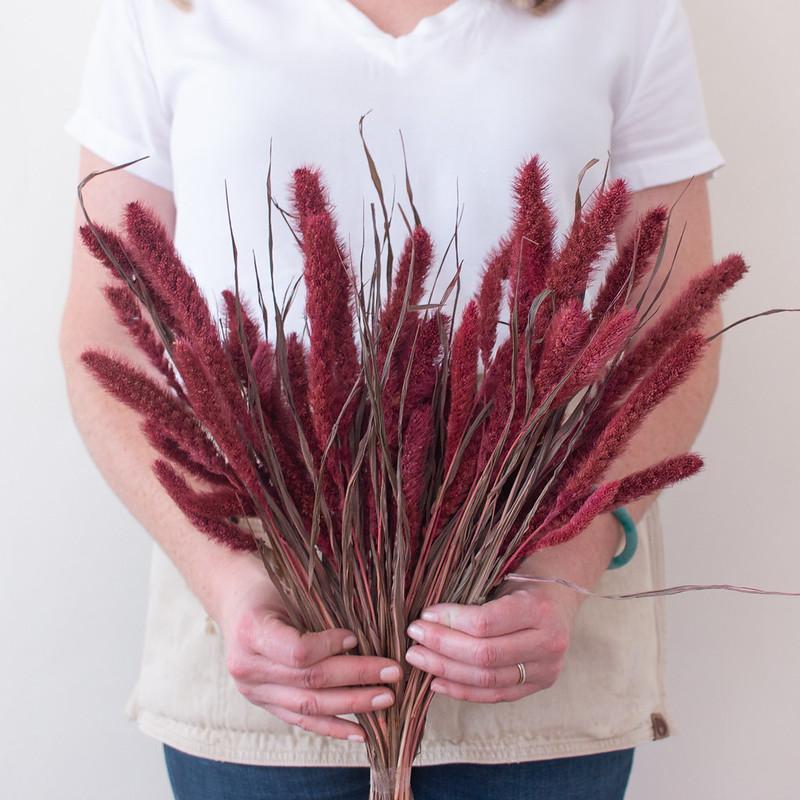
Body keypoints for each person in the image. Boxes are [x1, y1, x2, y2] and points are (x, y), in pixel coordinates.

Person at [60, 0, 725, 797]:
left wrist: (569, 565)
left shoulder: (626, 12)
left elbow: (677, 318)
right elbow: (108, 328)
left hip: (537, 636)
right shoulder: (163, 12)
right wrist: (228, 583)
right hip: (260, 640)